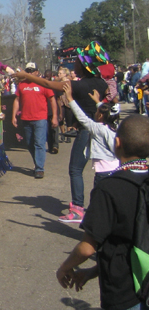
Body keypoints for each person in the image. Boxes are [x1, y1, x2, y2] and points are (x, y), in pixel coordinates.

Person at [56, 114, 149, 310]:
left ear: (116, 144)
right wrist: (91, 273)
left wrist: (67, 267)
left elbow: (88, 247)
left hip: (127, 295)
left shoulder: (110, 188)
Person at [14, 42, 109, 221]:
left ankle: (78, 209)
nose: (75, 65)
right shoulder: (102, 83)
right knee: (102, 170)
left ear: (84, 66)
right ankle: (101, 207)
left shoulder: (78, 86)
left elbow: (45, 83)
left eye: (78, 63)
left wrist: (25, 75)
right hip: (101, 132)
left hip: (86, 132)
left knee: (75, 169)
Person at [60, 82, 119, 224]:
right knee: (109, 202)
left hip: (103, 174)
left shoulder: (97, 129)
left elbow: (82, 118)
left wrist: (70, 99)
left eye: (97, 112)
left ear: (99, 117)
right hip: (115, 170)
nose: (95, 114)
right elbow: (108, 113)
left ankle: (96, 229)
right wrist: (98, 102)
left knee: (99, 203)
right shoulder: (113, 126)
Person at [12, 62, 58, 179]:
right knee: (29, 144)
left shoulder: (42, 84)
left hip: (40, 118)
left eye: (32, 71)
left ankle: (39, 168)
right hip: (26, 118)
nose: (30, 73)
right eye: (28, 71)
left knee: (39, 143)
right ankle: (37, 163)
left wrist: (54, 116)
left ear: (37, 72)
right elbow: (17, 100)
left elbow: (52, 100)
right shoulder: (22, 85)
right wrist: (13, 116)